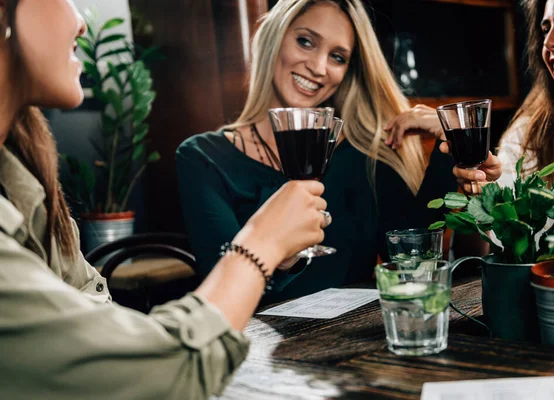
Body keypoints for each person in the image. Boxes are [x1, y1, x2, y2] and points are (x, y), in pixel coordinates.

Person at [0, 1, 328, 398]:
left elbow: (106, 339)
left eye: (339, 57)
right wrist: (262, 243)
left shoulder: (25, 180)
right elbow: (163, 373)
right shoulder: (203, 154)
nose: (83, 22)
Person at [177, 0, 456, 304]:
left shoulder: (363, 152)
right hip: (257, 348)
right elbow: (221, 294)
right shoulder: (203, 157)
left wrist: (449, 145)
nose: (319, 67)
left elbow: (413, 265)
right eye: (305, 42)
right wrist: (280, 254)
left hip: (357, 343)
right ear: (275, 38)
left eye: (337, 57)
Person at [443, 0, 554, 195]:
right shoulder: (529, 137)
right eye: (545, 29)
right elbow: (503, 222)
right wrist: (488, 196)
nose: (549, 43)